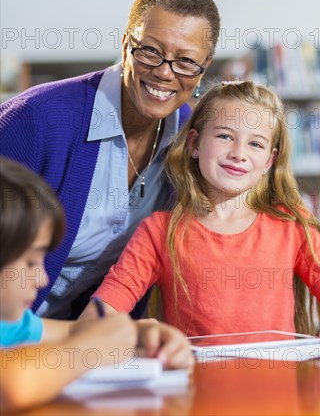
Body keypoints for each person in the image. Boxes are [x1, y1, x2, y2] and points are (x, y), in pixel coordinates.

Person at [0, 0, 320, 319]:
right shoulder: (35, 120)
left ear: (204, 69)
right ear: (126, 44)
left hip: (86, 336)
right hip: (17, 327)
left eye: (186, 61)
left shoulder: (194, 131)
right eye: (150, 51)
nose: (164, 73)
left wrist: (312, 232)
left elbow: (235, 193)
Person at [82, 81, 320, 341]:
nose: (239, 153)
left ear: (270, 160)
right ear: (194, 144)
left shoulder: (292, 226)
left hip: (277, 393)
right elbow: (97, 316)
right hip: (193, 393)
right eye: (225, 136)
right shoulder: (159, 231)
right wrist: (135, 333)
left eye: (255, 143)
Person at [0, 158, 194, 410]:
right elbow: (8, 386)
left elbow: (72, 333)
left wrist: (137, 336)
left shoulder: (9, 325)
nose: (42, 278)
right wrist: (90, 348)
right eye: (29, 263)